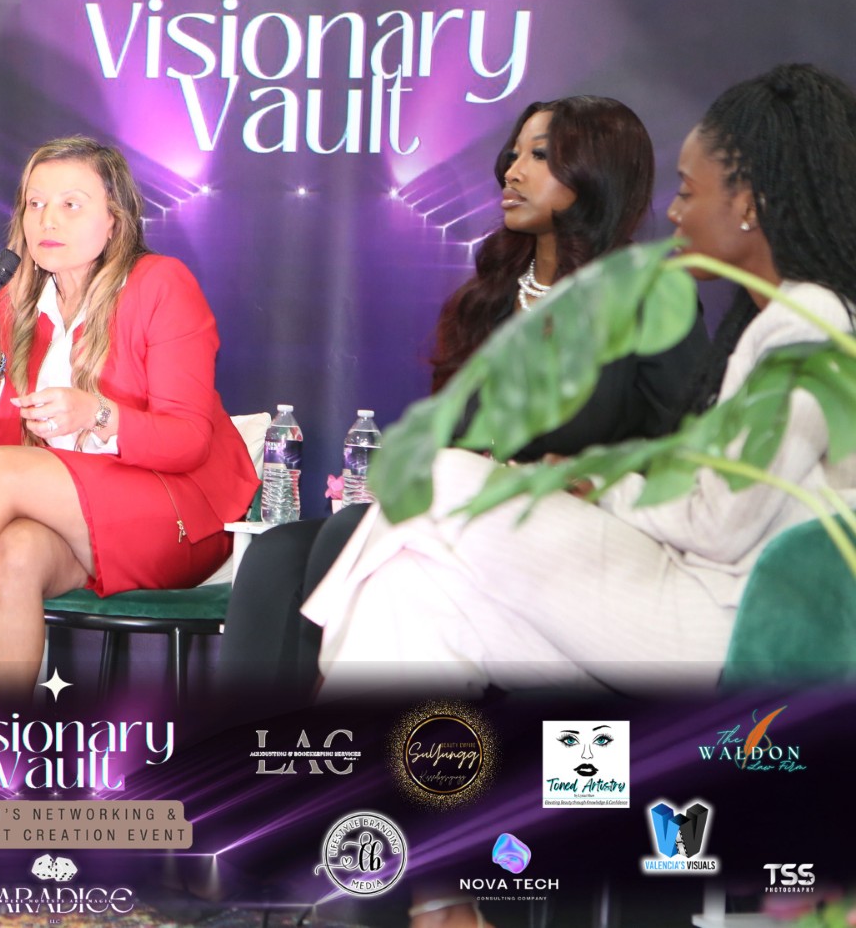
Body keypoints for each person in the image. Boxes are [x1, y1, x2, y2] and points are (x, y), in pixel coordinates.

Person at [301, 63, 856, 696]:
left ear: (748, 205)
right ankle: (366, 753)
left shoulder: (803, 326)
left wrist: (592, 484)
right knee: (410, 591)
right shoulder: (787, 318)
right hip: (685, 591)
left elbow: (718, 526)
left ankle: (317, 699)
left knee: (439, 479)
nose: (674, 213)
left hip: (716, 619)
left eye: (687, 192)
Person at [220, 96, 706, 703]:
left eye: (540, 156)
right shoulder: (489, 300)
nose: (512, 172)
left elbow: (687, 458)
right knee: (277, 552)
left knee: (347, 534)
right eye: (513, 155)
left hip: (581, 534)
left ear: (598, 174)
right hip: (467, 515)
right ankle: (256, 742)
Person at [0, 136, 257, 704]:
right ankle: (4, 741)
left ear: (114, 220)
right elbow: (10, 447)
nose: (47, 219)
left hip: (178, 516)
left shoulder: (160, 284)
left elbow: (189, 442)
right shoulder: (17, 302)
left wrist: (98, 412)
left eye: (71, 204)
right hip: (78, 520)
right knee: (13, 552)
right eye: (35, 203)